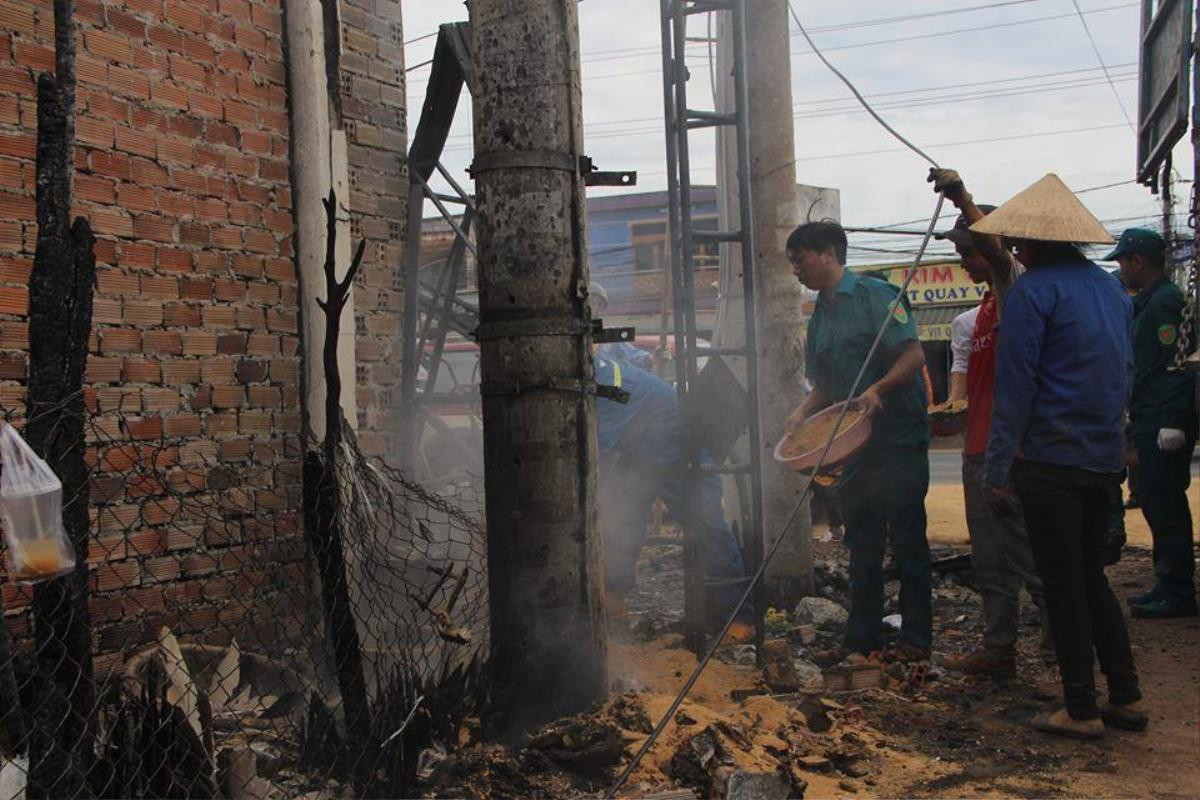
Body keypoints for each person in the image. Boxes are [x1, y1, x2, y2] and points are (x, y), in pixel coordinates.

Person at [958, 171, 1146, 738]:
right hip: (1099, 457)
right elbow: (1126, 371)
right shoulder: (1111, 289)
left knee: (1062, 583)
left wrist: (997, 468)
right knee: (1090, 578)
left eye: (1016, 241)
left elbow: (1017, 388)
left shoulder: (1035, 293)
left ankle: (1081, 708)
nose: (1011, 248)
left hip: (1051, 460)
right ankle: (1127, 695)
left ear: (1030, 243)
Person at [785, 221, 932, 661]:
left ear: (828, 253)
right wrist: (802, 410)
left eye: (800, 258)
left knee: (907, 538)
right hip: (852, 443)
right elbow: (826, 384)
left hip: (897, 435)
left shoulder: (874, 296)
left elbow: (913, 355)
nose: (796, 270)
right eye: (793, 262)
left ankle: (916, 641)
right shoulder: (819, 318)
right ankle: (862, 638)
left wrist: (878, 390)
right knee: (861, 540)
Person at [928, 179, 1055, 678]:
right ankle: (1000, 650)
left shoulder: (1015, 289)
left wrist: (961, 198)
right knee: (989, 561)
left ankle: (1055, 661)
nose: (965, 261)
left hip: (1014, 454)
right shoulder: (976, 315)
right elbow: (970, 390)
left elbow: (997, 256)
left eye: (969, 252)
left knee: (1035, 564)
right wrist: (951, 413)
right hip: (977, 450)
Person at [593, 354, 754, 641]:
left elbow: (597, 462)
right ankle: (612, 599)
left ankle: (737, 616)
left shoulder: (605, 389)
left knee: (707, 528)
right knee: (622, 525)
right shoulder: (596, 371)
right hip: (639, 454)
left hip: (681, 450)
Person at [1105, 227, 1198, 618]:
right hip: (1147, 416)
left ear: (1137, 261)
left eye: (1123, 261)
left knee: (1167, 505)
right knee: (1156, 505)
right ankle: (1166, 582)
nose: (1122, 269)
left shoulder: (1165, 303)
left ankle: (1177, 591)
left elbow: (1179, 365)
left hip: (1163, 419)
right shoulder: (1148, 302)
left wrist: (1173, 420)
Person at [589, 282, 657, 370]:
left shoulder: (610, 335)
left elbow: (633, 355)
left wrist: (653, 359)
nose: (594, 307)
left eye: (598, 304)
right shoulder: (569, 337)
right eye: (591, 302)